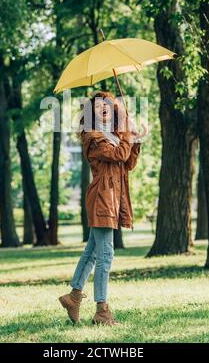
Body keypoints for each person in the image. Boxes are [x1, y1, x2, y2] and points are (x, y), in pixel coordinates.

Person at [59, 90, 147, 325]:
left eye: (107, 104)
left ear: (115, 108)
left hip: (112, 198)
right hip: (101, 198)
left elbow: (127, 163)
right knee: (106, 254)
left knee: (92, 252)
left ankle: (74, 296)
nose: (103, 107)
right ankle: (101, 311)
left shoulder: (113, 134)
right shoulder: (93, 136)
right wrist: (128, 132)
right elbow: (119, 154)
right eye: (97, 106)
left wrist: (135, 139)